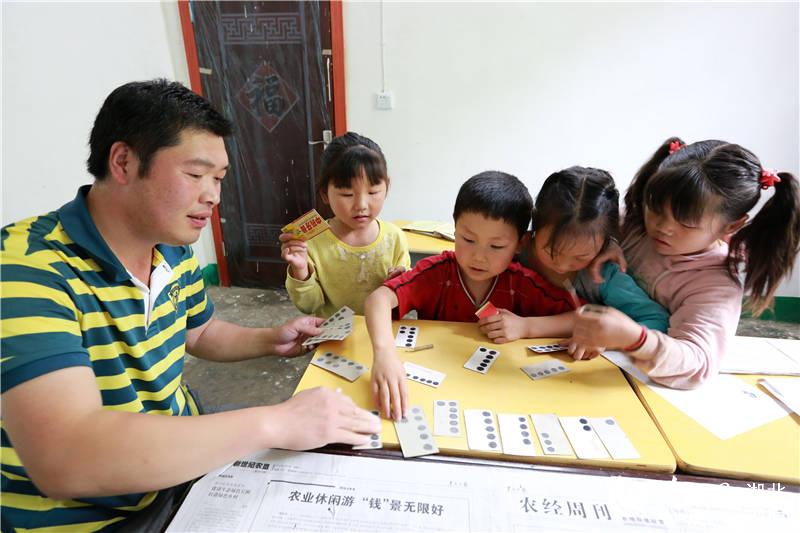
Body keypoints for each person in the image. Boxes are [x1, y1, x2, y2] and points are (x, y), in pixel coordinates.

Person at [0, 79, 380, 532]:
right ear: (123, 161)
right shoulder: (26, 268)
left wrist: (269, 338)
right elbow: (67, 457)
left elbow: (198, 332)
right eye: (196, 175)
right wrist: (273, 422)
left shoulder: (172, 247)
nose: (213, 196)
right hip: (92, 518)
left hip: (184, 468)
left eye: (218, 179)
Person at [573, 137, 800, 388]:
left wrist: (636, 340)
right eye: (655, 208)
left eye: (686, 222)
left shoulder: (716, 283)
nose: (662, 227)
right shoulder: (637, 226)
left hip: (621, 381)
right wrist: (609, 240)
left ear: (732, 225)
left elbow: (698, 364)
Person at [365, 171, 576, 420]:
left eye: (496, 246)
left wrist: (527, 326)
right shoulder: (437, 272)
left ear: (520, 243)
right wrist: (385, 354)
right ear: (454, 228)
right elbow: (378, 299)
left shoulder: (521, 283)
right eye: (467, 239)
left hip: (500, 398)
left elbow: (582, 318)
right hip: (434, 396)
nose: (478, 257)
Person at [495, 166, 669, 360]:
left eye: (581, 257)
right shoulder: (515, 249)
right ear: (535, 223)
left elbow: (657, 320)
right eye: (552, 251)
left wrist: (611, 339)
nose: (561, 265)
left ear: (606, 243)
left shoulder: (604, 275)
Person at [280, 132, 410, 317]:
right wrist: (301, 270)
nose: (361, 206)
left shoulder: (394, 238)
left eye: (373, 192)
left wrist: (399, 285)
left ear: (386, 187)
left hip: (381, 336)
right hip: (334, 340)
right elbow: (310, 306)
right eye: (347, 195)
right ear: (325, 194)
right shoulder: (312, 242)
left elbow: (404, 302)